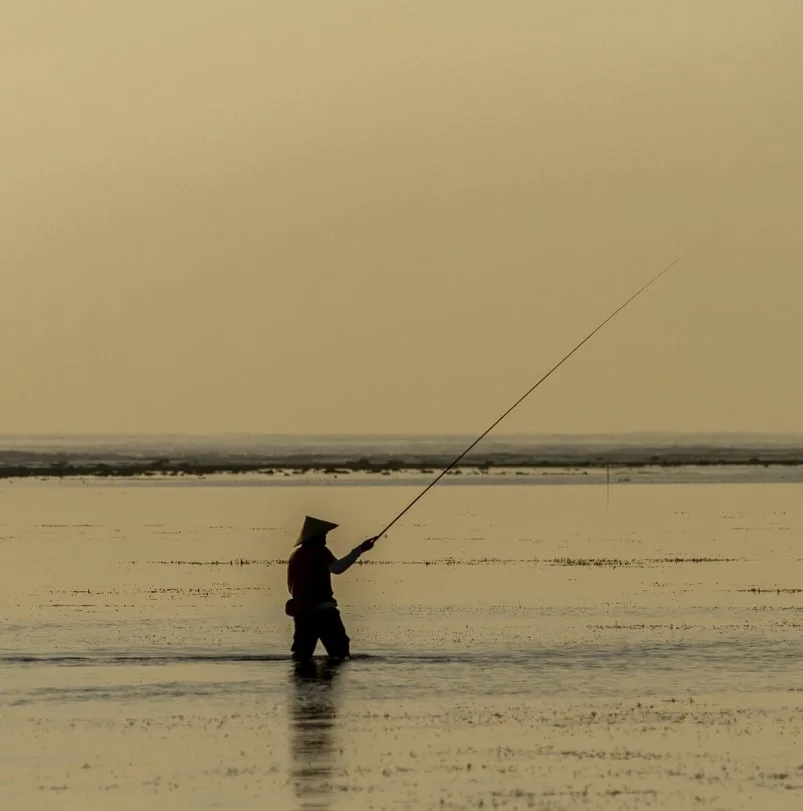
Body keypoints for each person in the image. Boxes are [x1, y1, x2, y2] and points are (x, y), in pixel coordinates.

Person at [286, 516, 377, 661]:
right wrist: (360, 549)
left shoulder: (295, 555)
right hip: (323, 612)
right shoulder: (320, 552)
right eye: (324, 534)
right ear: (316, 536)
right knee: (340, 653)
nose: (325, 538)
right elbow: (338, 568)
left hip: (302, 613)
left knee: (301, 655)